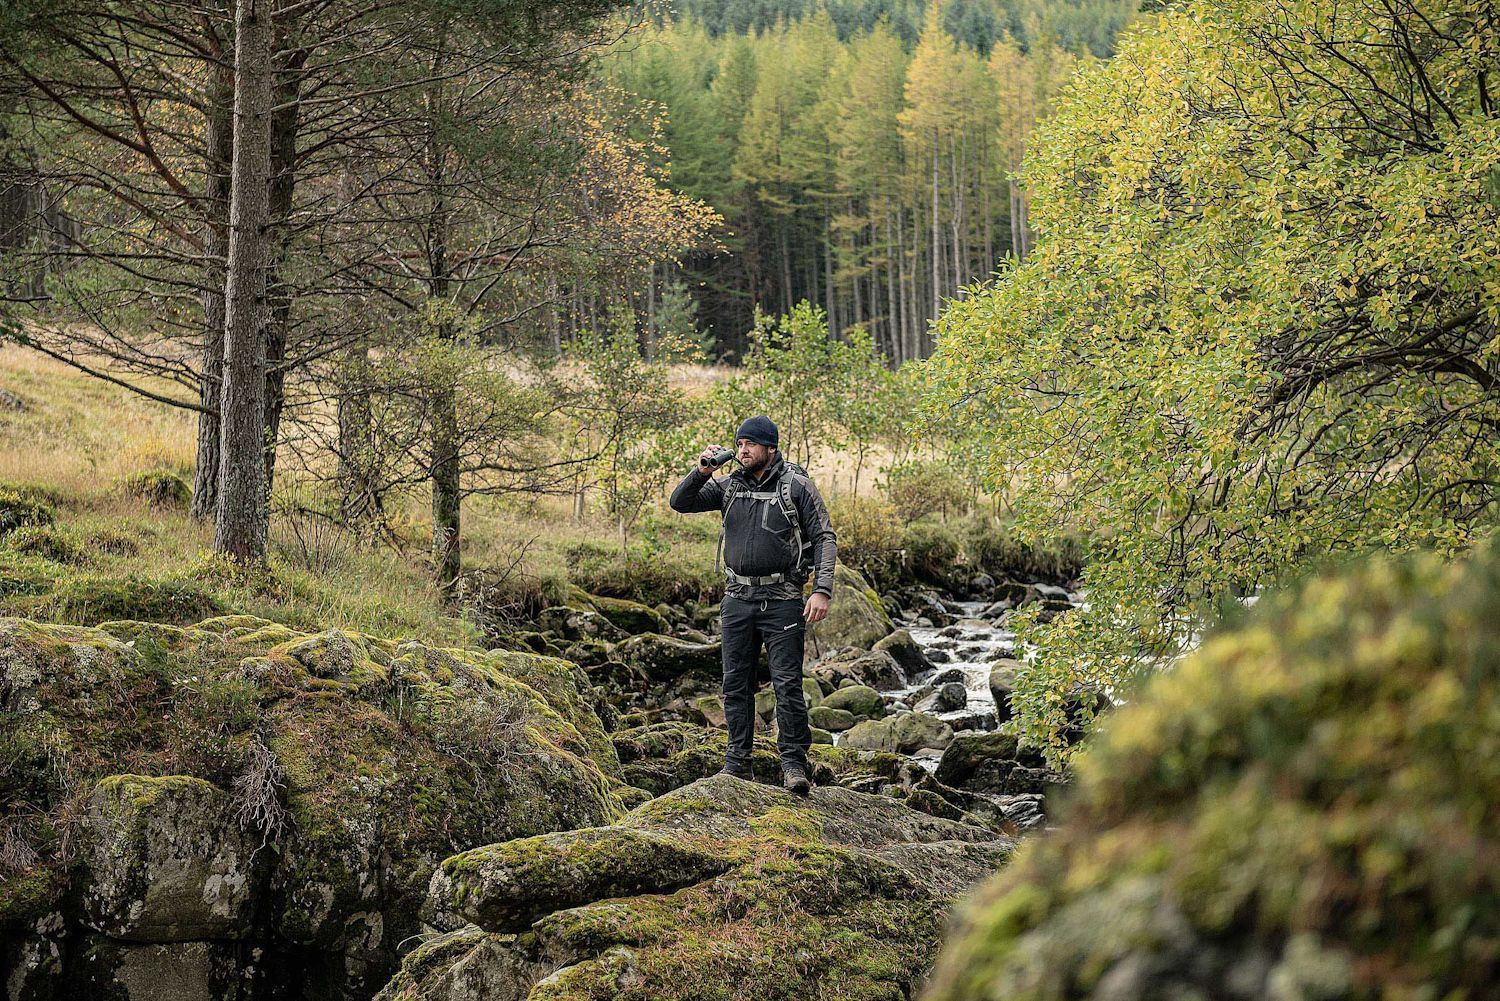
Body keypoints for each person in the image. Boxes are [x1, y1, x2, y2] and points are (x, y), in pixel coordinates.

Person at [669, 415, 837, 796]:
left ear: (770, 448)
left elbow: (825, 537)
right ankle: (737, 763)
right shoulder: (729, 485)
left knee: (787, 685)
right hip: (737, 599)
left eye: (750, 444)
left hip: (782, 600)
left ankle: (793, 765)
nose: (742, 450)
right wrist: (701, 471)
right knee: (735, 683)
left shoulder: (796, 486)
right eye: (740, 444)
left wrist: (821, 589)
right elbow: (680, 502)